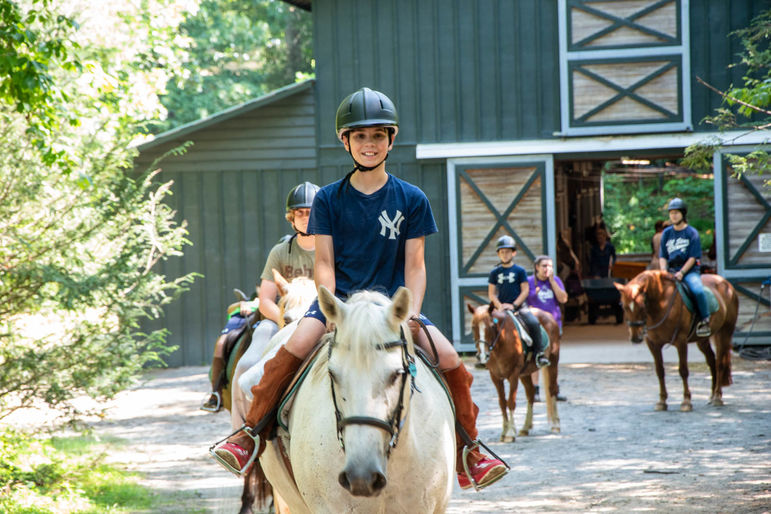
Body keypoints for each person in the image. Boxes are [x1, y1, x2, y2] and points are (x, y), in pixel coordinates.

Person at [210, 87, 507, 490]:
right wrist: (333, 312)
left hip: (393, 311)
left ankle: (469, 450)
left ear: (391, 139)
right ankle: (250, 435)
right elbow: (325, 263)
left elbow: (415, 267)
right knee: (292, 350)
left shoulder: (412, 199)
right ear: (345, 141)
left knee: (452, 360)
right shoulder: (329, 199)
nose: (370, 144)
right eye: (361, 136)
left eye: (378, 136)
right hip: (341, 305)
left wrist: (411, 312)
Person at [200, 183, 318, 413]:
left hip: (321, 321)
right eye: (300, 213)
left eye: (311, 213)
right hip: (282, 320)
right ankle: (237, 424)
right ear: (291, 218)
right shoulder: (280, 252)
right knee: (245, 364)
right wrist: (287, 322)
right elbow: (265, 300)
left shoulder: (332, 248)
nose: (305, 218)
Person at [488, 235, 550, 369]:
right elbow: (492, 294)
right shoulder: (494, 273)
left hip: (519, 307)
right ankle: (486, 355)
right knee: (488, 325)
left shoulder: (519, 271)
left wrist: (514, 305)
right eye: (502, 252)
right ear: (498, 254)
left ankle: (539, 353)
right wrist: (500, 306)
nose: (505, 255)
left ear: (513, 253)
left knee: (533, 323)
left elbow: (525, 291)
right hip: (501, 308)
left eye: (508, 252)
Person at [659, 198, 711, 337]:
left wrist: (682, 272)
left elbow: (693, 257)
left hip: (688, 271)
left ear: (683, 214)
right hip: (670, 270)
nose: (673, 215)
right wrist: (663, 271)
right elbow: (663, 256)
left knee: (698, 290)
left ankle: (705, 319)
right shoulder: (666, 233)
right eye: (671, 213)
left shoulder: (691, 233)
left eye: (676, 212)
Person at [526, 255, 568, 402]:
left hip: (554, 326)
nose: (547, 269)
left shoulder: (555, 280)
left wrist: (552, 282)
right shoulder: (529, 282)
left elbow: (563, 299)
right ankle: (535, 391)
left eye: (550, 266)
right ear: (537, 267)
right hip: (535, 326)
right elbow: (524, 302)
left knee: (553, 358)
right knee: (536, 358)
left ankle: (553, 390)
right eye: (544, 266)